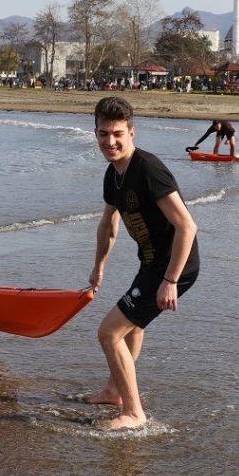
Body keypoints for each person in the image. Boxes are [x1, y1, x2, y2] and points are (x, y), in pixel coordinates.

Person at [88, 96, 200, 429]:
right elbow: (108, 225)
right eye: (104, 134)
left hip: (173, 266)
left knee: (109, 333)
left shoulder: (148, 169)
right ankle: (114, 392)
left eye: (118, 134)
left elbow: (187, 226)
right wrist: (98, 267)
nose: (110, 141)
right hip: (150, 264)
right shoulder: (113, 174)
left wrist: (170, 281)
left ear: (131, 133)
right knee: (132, 325)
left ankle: (134, 414)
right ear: (95, 133)